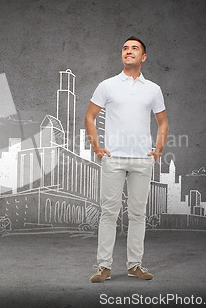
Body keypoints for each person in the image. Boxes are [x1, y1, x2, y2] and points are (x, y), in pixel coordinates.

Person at [84, 36, 168, 283]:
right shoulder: (107, 85)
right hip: (114, 159)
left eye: (134, 49)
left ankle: (135, 265)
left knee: (138, 215)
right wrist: (97, 147)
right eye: (125, 48)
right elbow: (90, 116)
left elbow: (162, 122)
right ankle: (103, 267)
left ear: (143, 57)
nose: (128, 51)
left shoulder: (153, 89)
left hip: (142, 160)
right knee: (109, 213)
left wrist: (158, 149)